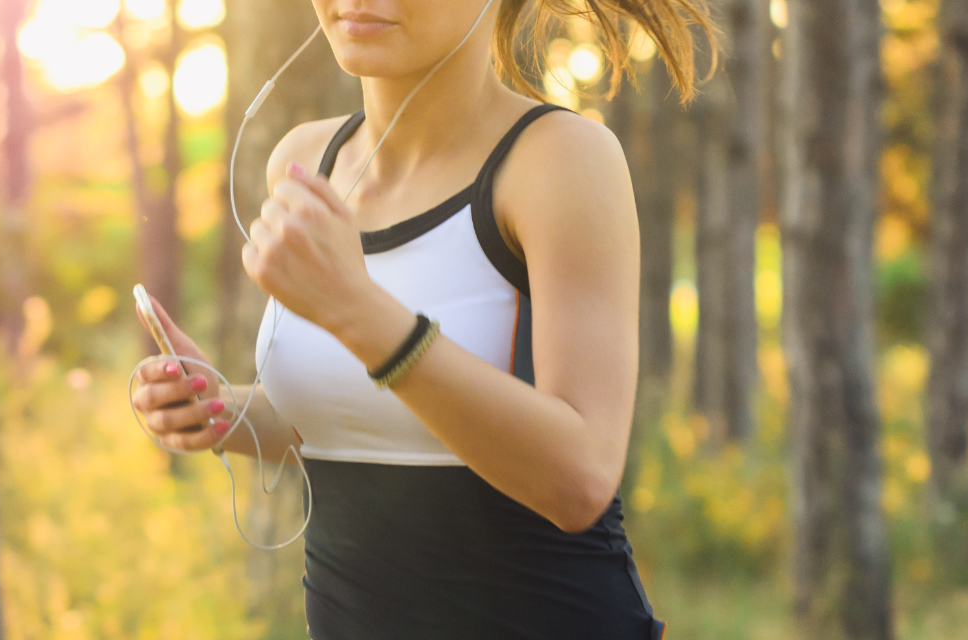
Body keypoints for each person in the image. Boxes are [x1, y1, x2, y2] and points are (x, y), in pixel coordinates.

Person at [131, 0, 714, 637]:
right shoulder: (303, 161)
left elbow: (581, 479)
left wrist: (359, 312)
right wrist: (221, 409)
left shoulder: (560, 160)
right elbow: (346, 420)